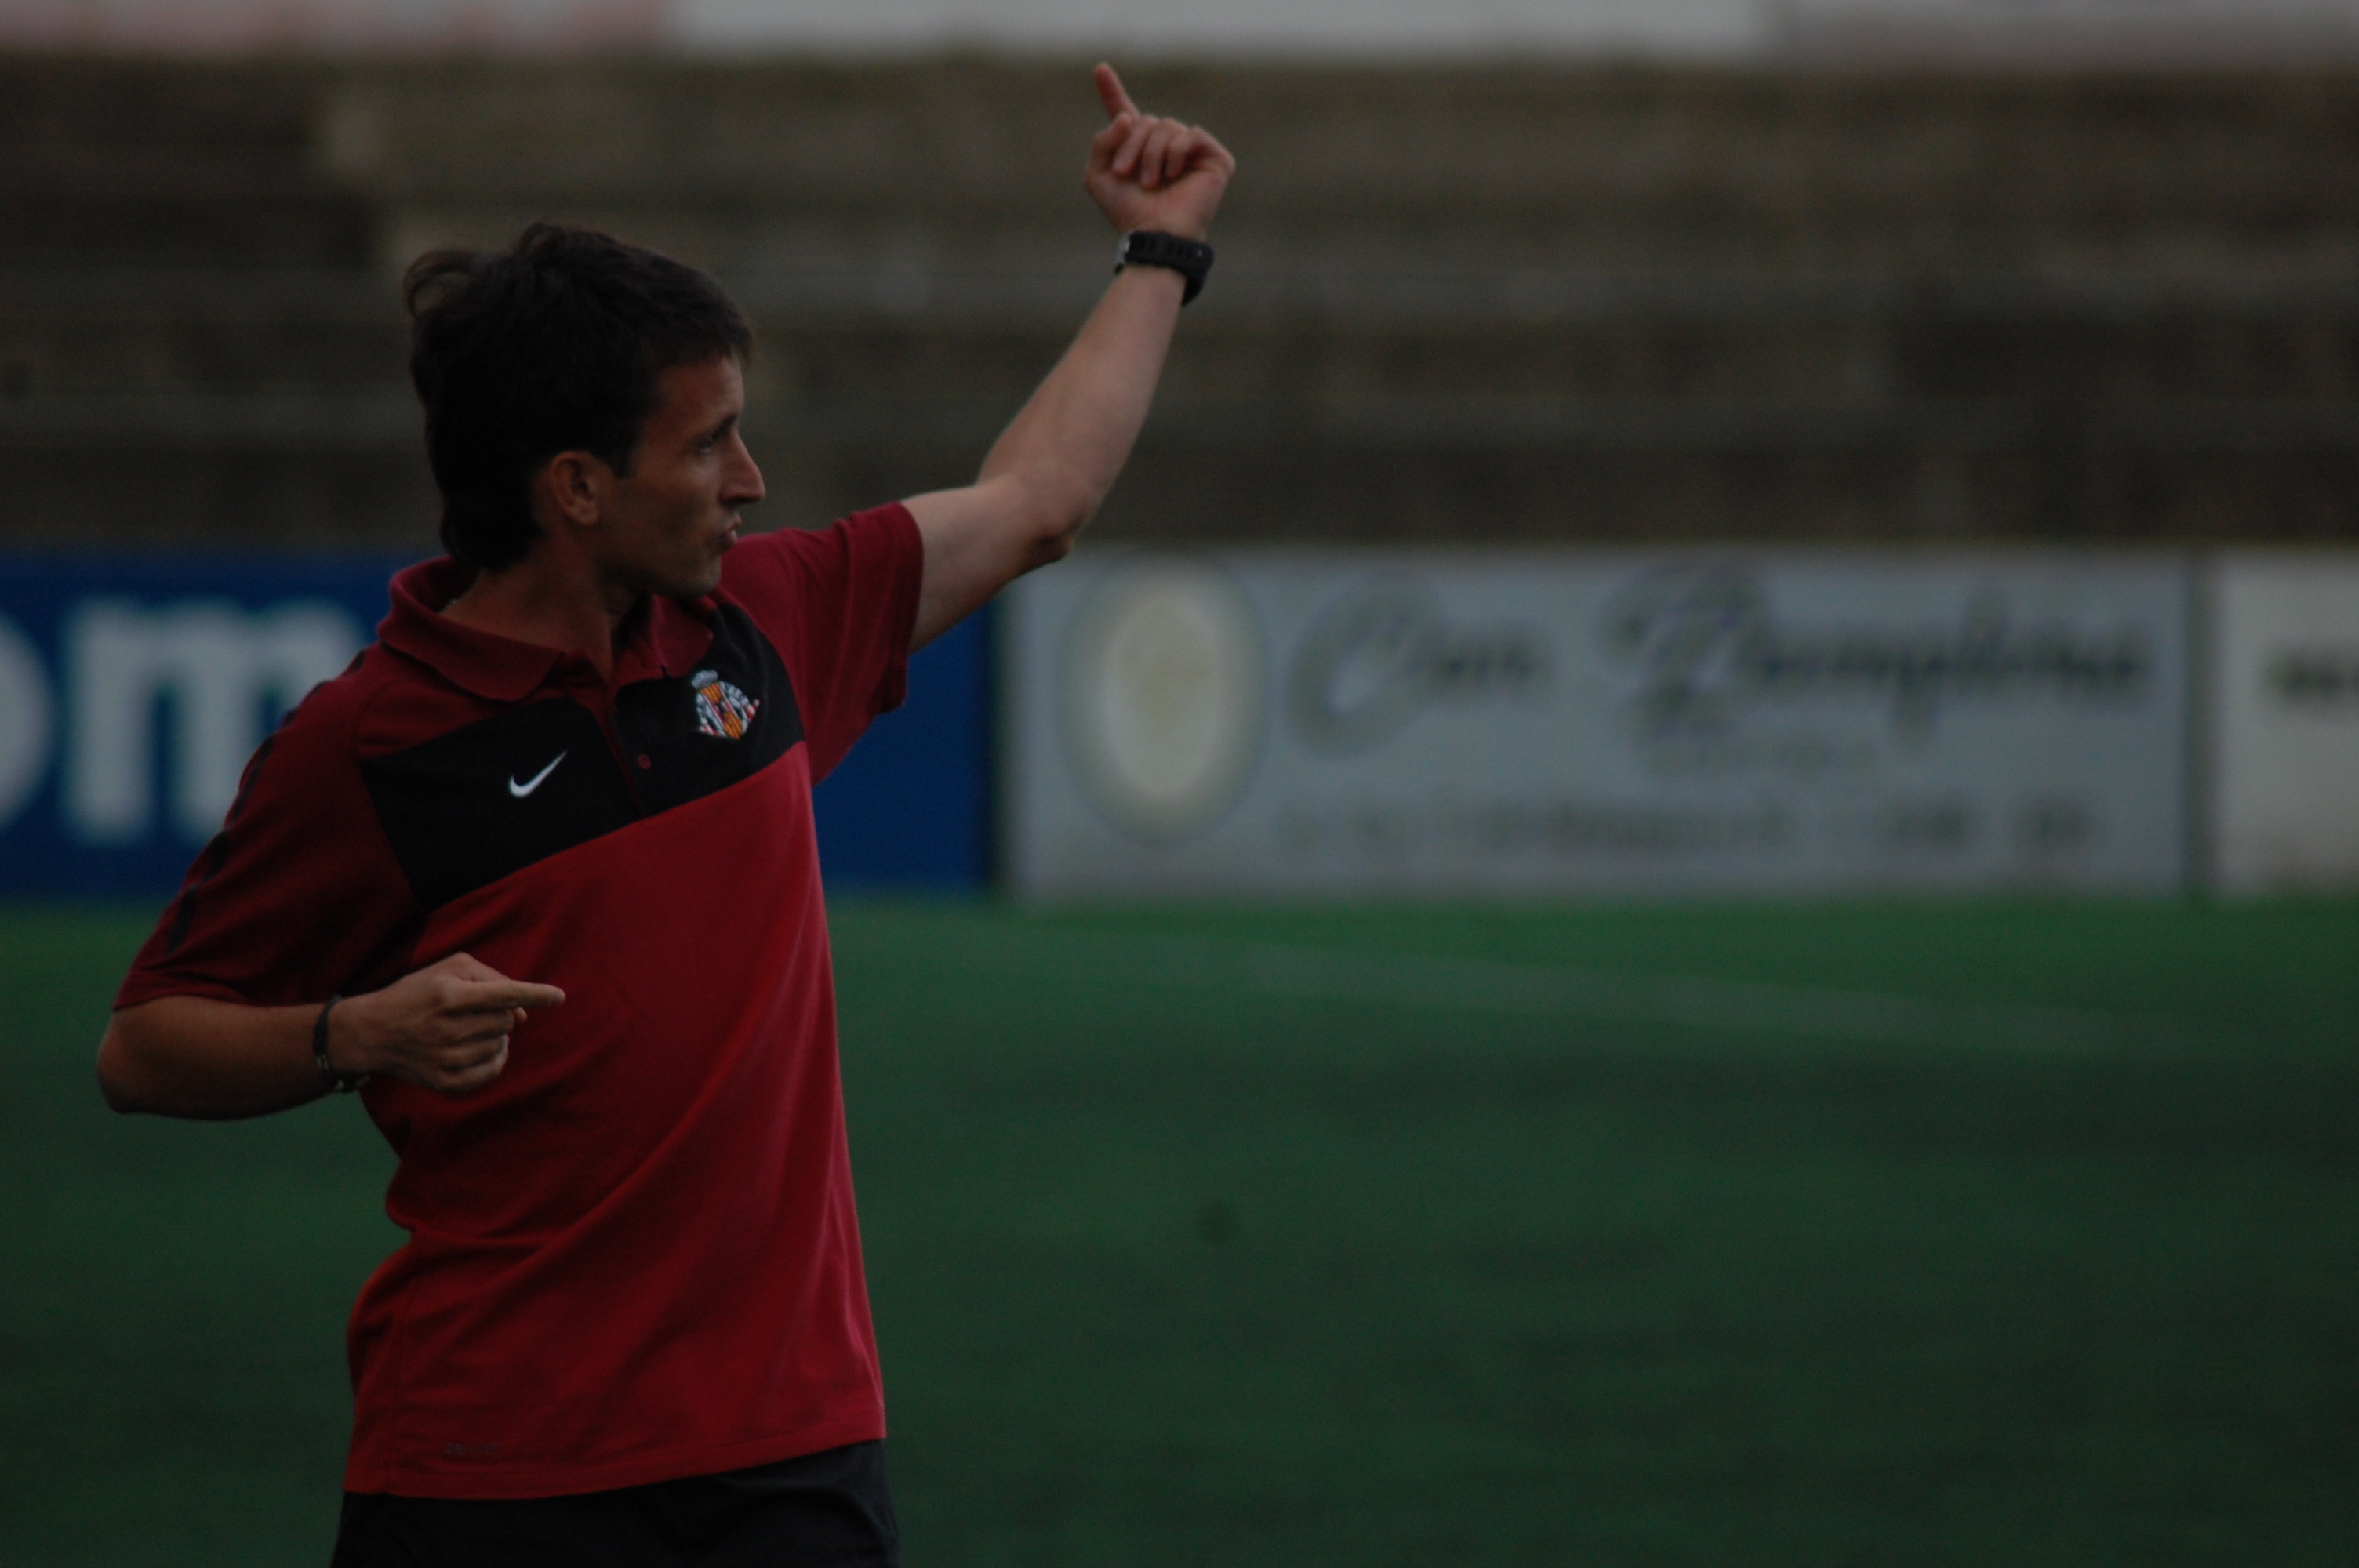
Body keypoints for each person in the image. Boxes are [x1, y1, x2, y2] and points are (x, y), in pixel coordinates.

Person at [93, 64, 1233, 1567]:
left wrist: (1159, 252)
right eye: (707, 446)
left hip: (793, 1449)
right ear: (575, 486)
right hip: (494, 1466)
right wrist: (352, 1032)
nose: (751, 483)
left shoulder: (758, 627)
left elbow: (1038, 501)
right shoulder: (371, 743)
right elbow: (142, 1045)